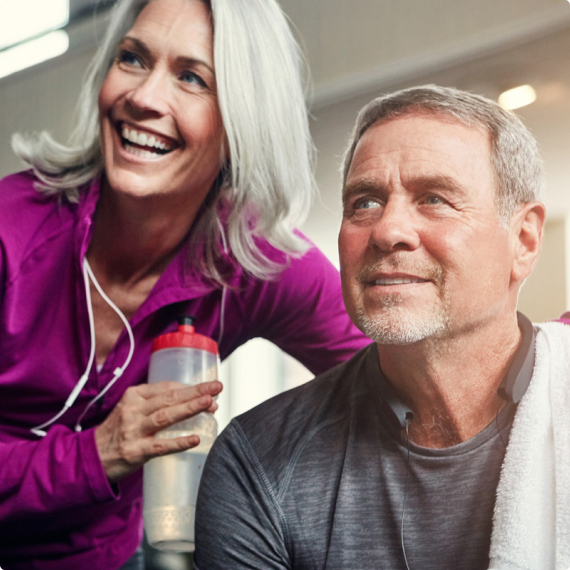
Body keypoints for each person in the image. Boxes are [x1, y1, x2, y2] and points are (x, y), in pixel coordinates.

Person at [0, 0, 369, 568]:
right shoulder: (10, 228)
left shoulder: (255, 261)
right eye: (132, 58)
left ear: (243, 123)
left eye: (192, 77)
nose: (144, 97)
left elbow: (396, 376)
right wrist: (98, 451)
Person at [195, 85, 570, 570]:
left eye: (434, 198)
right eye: (365, 203)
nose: (387, 230)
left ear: (524, 240)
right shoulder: (257, 462)